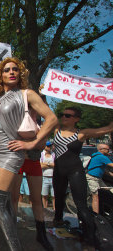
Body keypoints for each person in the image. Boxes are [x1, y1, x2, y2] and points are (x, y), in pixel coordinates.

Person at [0, 57, 58, 251]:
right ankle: (11, 241)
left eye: (15, 69)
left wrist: (32, 143)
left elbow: (51, 119)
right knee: (8, 203)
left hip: (11, 153)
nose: (11, 72)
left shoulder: (27, 94)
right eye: (7, 69)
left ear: (20, 74)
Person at [53, 107, 113, 250]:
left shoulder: (81, 133)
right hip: (58, 171)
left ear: (76, 119)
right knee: (59, 199)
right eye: (62, 114)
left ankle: (90, 238)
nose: (64, 117)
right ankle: (58, 224)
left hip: (75, 171)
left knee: (81, 204)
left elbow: (106, 129)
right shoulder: (56, 130)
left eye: (68, 115)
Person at [11, 149, 53, 251]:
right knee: (14, 198)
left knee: (36, 199)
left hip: (33, 160)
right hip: (16, 159)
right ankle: (12, 233)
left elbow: (42, 142)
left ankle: (41, 234)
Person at [86, 143, 113, 213]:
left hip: (98, 178)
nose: (109, 151)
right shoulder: (101, 157)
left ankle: (103, 210)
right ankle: (96, 216)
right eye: (107, 149)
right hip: (92, 178)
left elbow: (103, 170)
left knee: (106, 192)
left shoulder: (95, 155)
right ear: (101, 150)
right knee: (95, 197)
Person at [40, 141, 55, 210]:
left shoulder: (54, 154)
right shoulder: (41, 154)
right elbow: (40, 166)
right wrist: (50, 165)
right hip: (44, 177)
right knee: (44, 195)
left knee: (54, 195)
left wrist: (46, 164)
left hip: (53, 177)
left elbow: (55, 165)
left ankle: (55, 209)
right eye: (48, 146)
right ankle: (45, 209)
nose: (50, 147)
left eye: (50, 146)